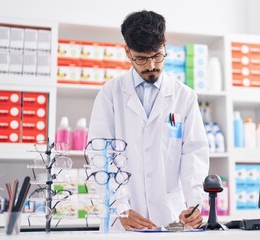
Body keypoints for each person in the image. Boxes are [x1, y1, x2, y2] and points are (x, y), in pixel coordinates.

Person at [87, 10, 209, 230]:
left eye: (157, 56)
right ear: (127, 52)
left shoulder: (184, 97)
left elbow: (194, 154)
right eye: (142, 58)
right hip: (124, 219)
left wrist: (194, 203)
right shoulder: (110, 94)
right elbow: (99, 155)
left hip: (172, 217)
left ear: (165, 46)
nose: (151, 66)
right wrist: (118, 206)